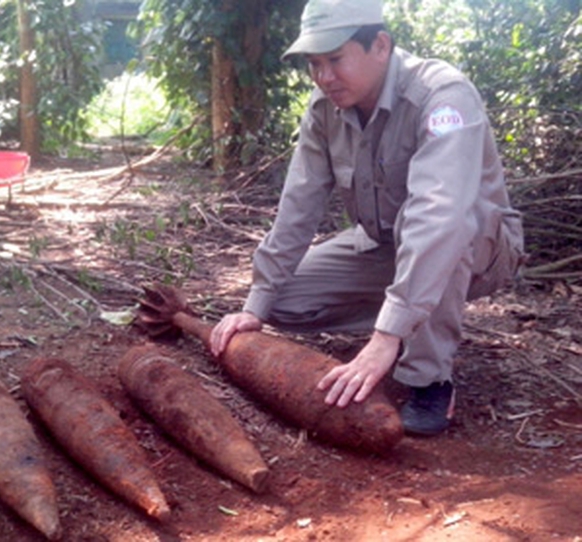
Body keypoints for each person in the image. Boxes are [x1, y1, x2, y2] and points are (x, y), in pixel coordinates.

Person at [209, 0, 524, 436]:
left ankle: (429, 377)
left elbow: (439, 218)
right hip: (388, 244)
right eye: (314, 64)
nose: (324, 77)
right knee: (283, 301)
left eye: (335, 59)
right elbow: (298, 204)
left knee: (437, 230)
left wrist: (385, 338)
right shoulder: (325, 108)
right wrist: (255, 304)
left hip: (477, 247)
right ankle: (412, 312)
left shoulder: (442, 96)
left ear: (380, 45)